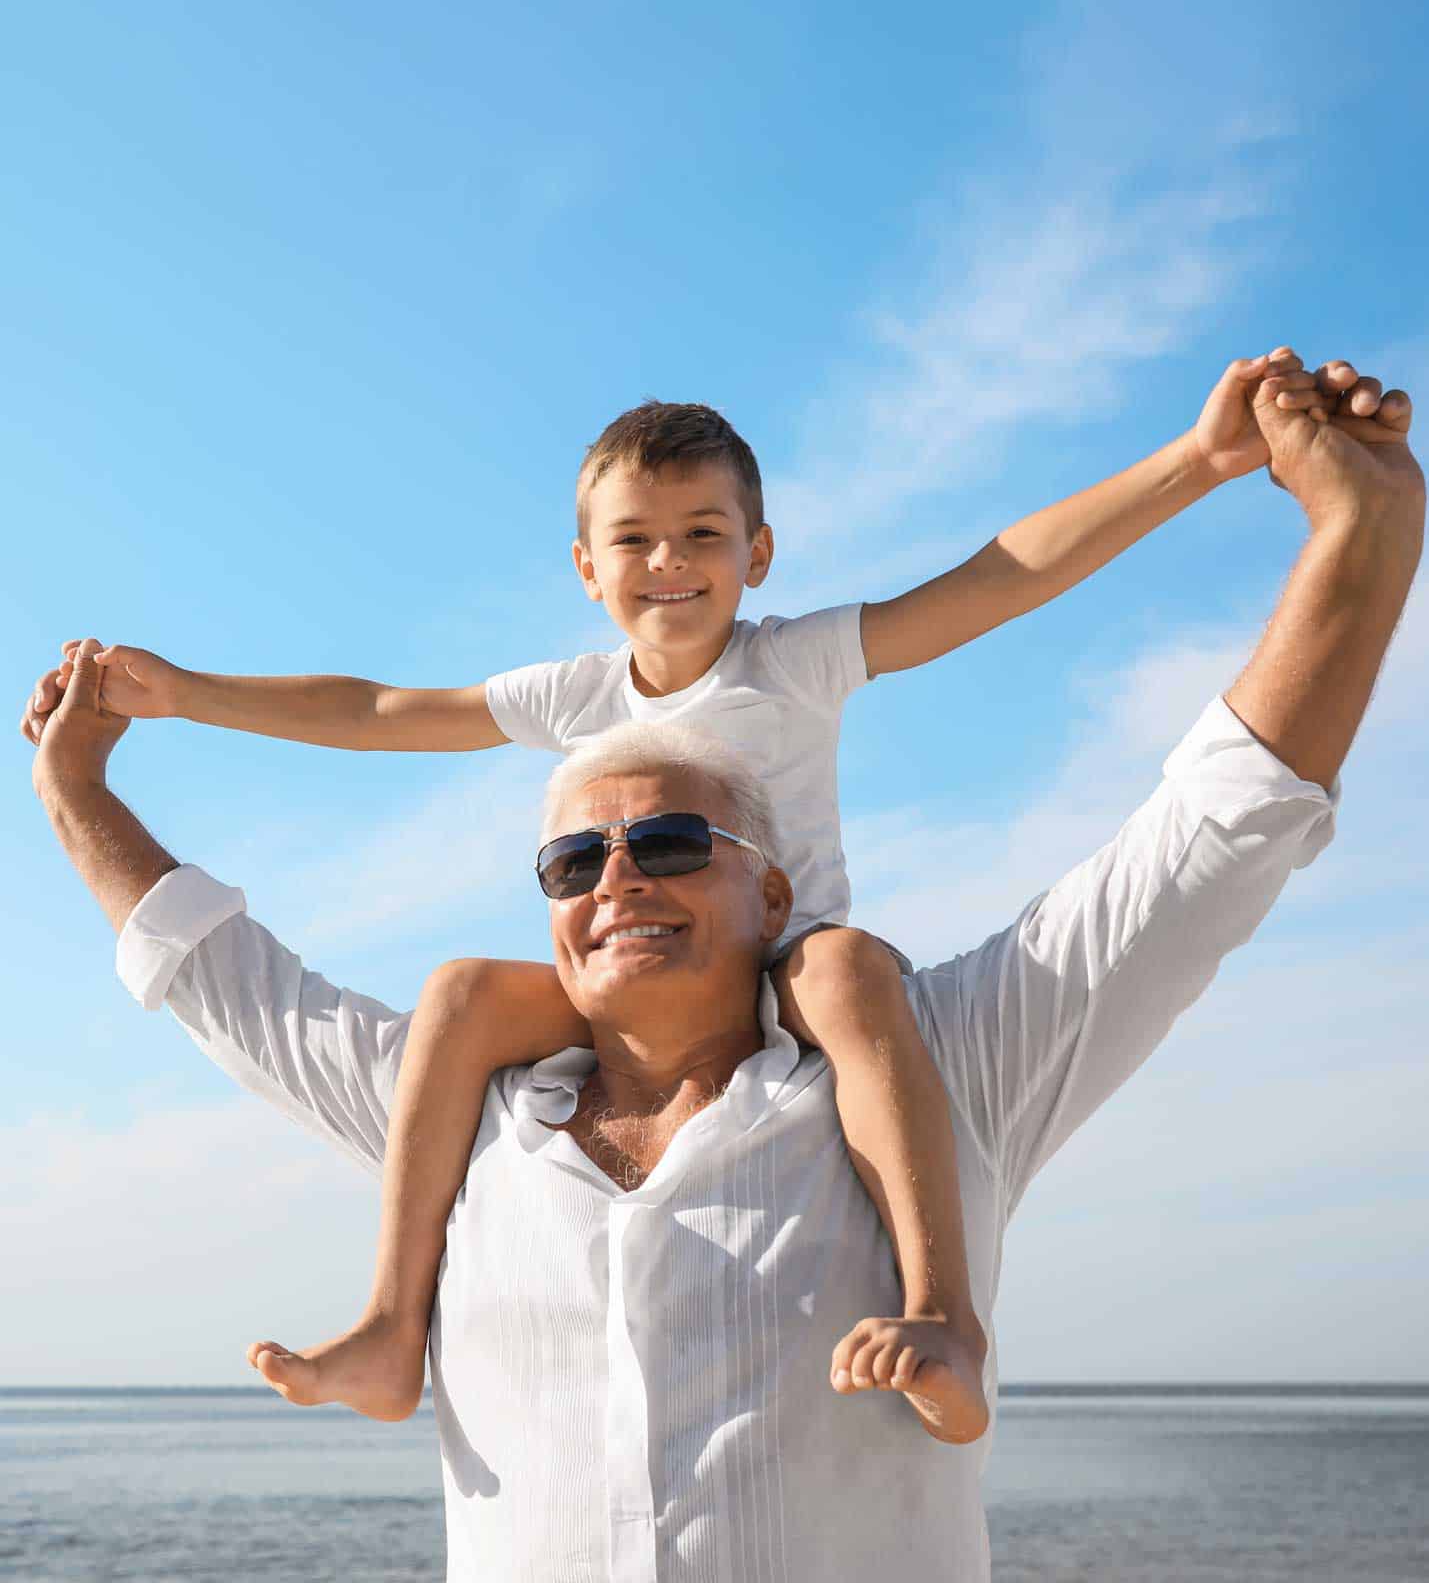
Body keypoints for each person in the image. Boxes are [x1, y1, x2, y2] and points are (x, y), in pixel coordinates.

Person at [26, 356, 1422, 1580]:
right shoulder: (460, 1114)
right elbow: (242, 936)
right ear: (586, 564)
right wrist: (100, 755)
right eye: (572, 863)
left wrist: (1282, 496)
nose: (619, 877)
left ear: (757, 548)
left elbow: (1169, 787)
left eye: (670, 842)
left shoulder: (930, 1072)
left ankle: (942, 1316)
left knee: (848, 972)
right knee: (456, 995)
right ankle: (392, 1324)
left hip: (822, 983)